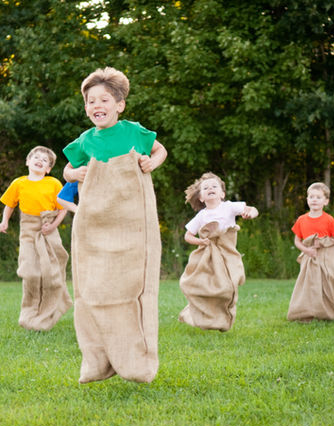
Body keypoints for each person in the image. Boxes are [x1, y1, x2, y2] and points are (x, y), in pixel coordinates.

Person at [63, 67, 167, 384]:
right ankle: (97, 359)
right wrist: (74, 175)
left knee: (131, 288)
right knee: (93, 288)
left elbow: (160, 149)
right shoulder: (85, 140)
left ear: (119, 104)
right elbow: (68, 169)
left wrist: (152, 162)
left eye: (104, 99)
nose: (97, 105)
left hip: (131, 224)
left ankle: (136, 361)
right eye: (91, 101)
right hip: (95, 224)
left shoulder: (133, 132)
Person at [0, 146, 72, 331]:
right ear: (27, 162)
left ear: (48, 169)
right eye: (36, 157)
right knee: (30, 272)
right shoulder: (19, 183)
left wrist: (53, 226)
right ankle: (29, 314)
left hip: (48, 229)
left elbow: (62, 208)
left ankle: (48, 313)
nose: (39, 160)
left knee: (50, 274)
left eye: (45, 160)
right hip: (28, 231)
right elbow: (9, 204)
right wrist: (4, 221)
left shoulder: (53, 183)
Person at [178, 172, 258, 332]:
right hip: (207, 256)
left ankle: (223, 317)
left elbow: (252, 209)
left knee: (228, 286)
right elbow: (187, 235)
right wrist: (200, 241)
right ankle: (196, 313)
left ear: (222, 193)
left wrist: (250, 213)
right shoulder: (201, 215)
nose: (210, 189)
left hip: (227, 253)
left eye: (214, 186)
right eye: (206, 188)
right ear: (201, 197)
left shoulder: (228, 207)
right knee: (205, 285)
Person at [288, 182, 334, 322]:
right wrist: (307, 250)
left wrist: (324, 242)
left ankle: (331, 310)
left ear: (326, 201)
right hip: (309, 255)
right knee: (308, 283)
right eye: (311, 196)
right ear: (307, 200)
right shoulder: (302, 220)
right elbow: (297, 241)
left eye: (318, 197)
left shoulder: (329, 219)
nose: (314, 200)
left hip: (326, 256)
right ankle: (305, 312)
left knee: (328, 282)